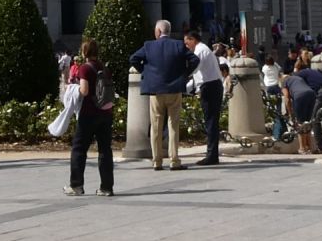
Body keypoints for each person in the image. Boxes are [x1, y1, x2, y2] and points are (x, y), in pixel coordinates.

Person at [129, 19, 198, 171]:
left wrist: (145, 73)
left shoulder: (149, 46)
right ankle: (174, 160)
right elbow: (195, 59)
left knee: (156, 126)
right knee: (173, 125)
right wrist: (184, 74)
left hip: (156, 90)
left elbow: (133, 58)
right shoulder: (178, 44)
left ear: (158, 32)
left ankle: (157, 161)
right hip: (174, 89)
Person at [64, 38, 114, 197]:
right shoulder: (104, 68)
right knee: (105, 149)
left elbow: (84, 91)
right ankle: (106, 187)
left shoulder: (85, 68)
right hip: (105, 112)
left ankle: (76, 185)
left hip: (89, 113)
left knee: (79, 149)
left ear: (84, 52)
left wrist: (72, 89)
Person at [184, 31, 223, 166]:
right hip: (211, 85)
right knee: (211, 122)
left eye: (187, 42)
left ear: (193, 39)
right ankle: (212, 154)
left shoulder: (200, 50)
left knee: (211, 122)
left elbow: (193, 69)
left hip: (210, 87)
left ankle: (212, 155)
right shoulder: (203, 49)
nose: (186, 45)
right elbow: (196, 77)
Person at [261, 54, 285, 140]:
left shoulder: (264, 68)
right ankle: (278, 112)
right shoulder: (276, 66)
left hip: (268, 86)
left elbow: (263, 73)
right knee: (278, 102)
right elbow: (280, 70)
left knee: (270, 103)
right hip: (276, 86)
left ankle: (271, 114)